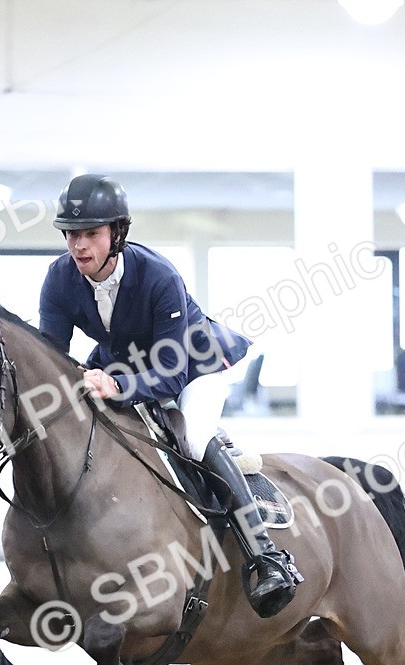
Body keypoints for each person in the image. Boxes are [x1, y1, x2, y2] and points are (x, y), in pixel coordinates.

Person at [39, 173, 301, 619]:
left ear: (117, 233)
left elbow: (170, 373)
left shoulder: (158, 275)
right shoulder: (60, 279)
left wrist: (116, 386)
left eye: (91, 233)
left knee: (194, 440)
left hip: (192, 365)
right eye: (71, 234)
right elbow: (51, 355)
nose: (79, 245)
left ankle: (266, 556)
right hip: (125, 363)